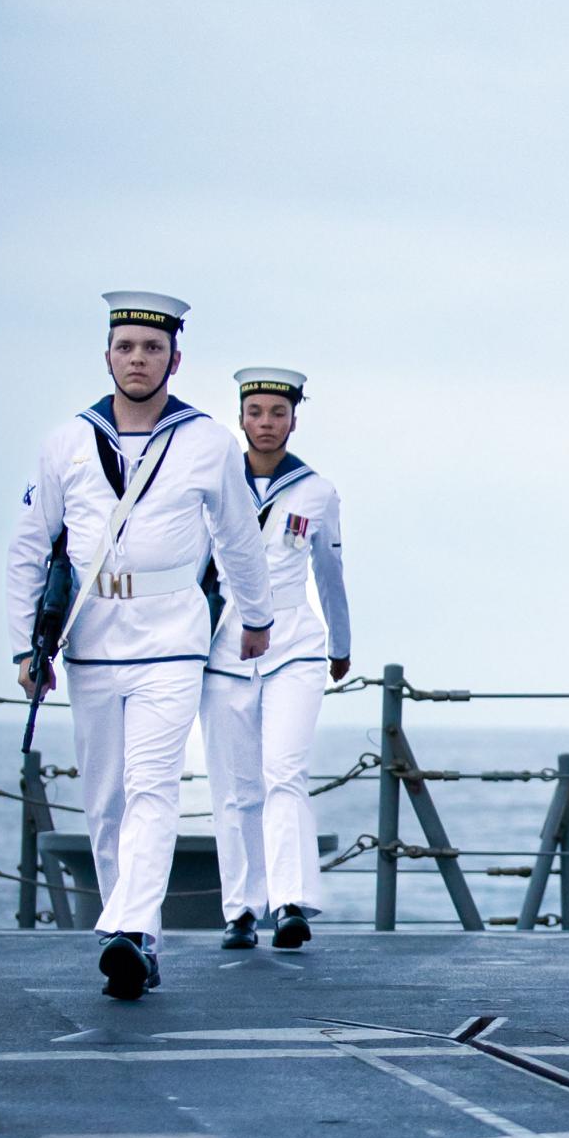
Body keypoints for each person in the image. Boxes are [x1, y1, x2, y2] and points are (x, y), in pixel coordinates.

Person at [9, 293, 273, 1001]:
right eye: (126, 346)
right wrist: (24, 649)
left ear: (174, 360)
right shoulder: (66, 441)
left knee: (152, 786)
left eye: (152, 349)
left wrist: (256, 617)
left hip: (171, 637)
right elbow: (31, 548)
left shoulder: (208, 441)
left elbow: (238, 539)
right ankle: (134, 930)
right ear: (107, 356)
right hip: (91, 637)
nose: (138, 358)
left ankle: (129, 929)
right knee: (106, 800)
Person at [200, 365, 351, 952]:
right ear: (240, 416)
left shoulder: (316, 490)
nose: (266, 423)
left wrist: (341, 644)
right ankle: (241, 908)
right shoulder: (214, 482)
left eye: (278, 412)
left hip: (295, 645)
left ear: (294, 418)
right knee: (234, 785)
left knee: (283, 771)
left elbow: (330, 573)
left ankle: (290, 902)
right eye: (256, 412)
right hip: (224, 644)